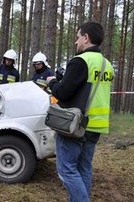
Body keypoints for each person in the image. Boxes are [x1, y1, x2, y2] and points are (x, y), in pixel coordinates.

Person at [46, 22, 114, 202]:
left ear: (86, 37)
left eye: (78, 37)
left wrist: (52, 82)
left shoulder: (80, 61)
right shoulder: (107, 65)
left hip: (75, 125)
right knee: (84, 168)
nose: (76, 42)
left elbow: (62, 92)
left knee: (67, 170)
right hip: (96, 125)